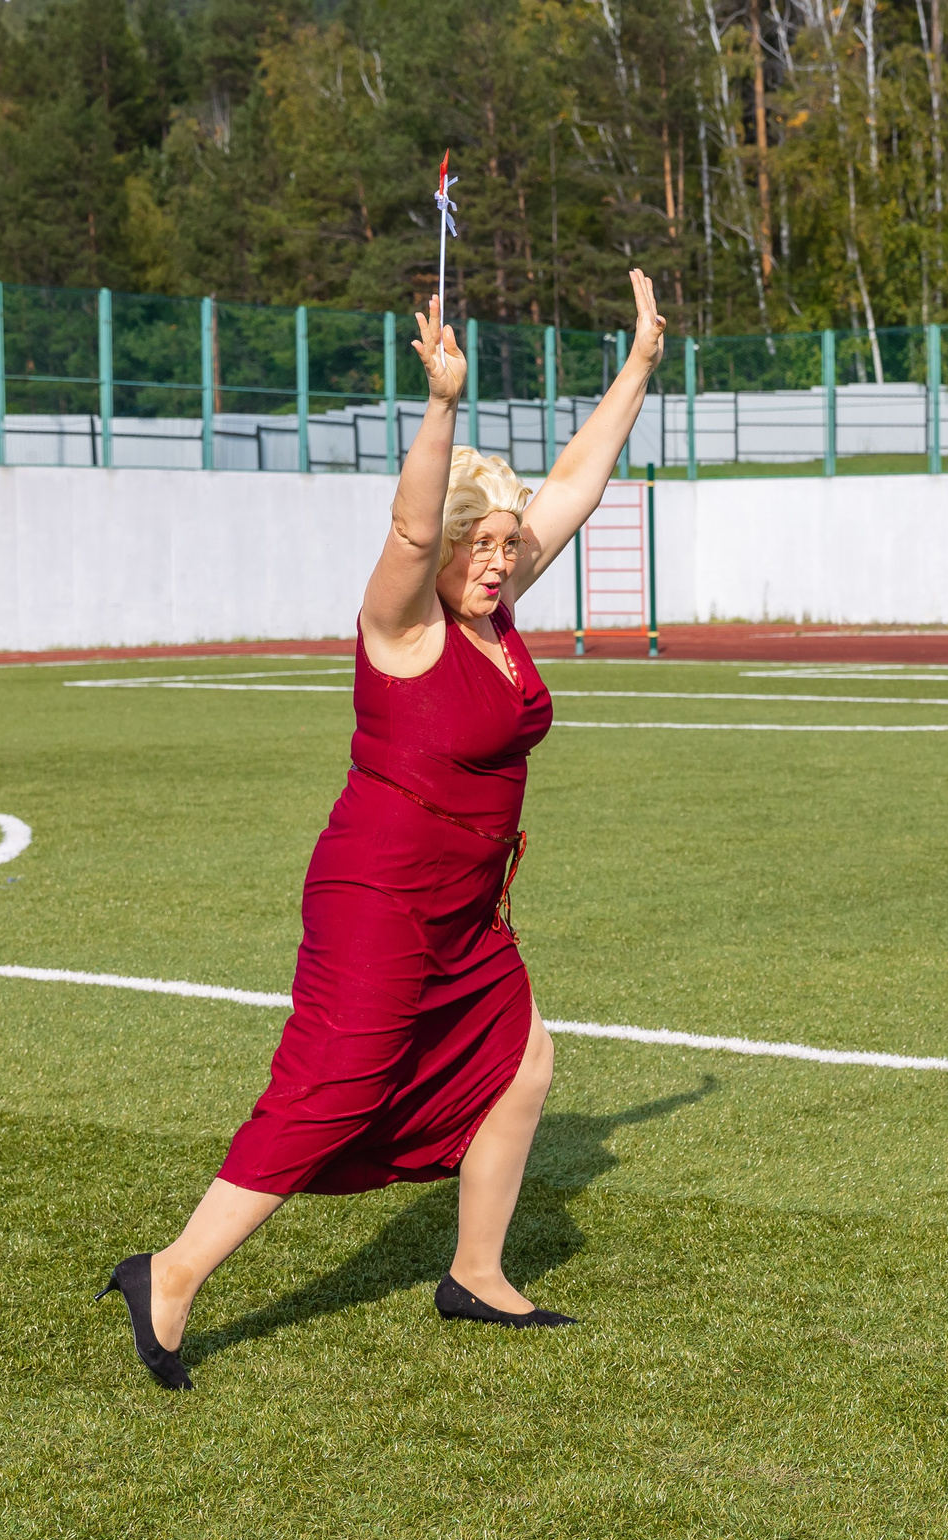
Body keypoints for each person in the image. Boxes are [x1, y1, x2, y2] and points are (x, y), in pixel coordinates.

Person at [101, 272, 668, 1391]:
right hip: (377, 895)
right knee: (335, 1088)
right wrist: (443, 406)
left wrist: (640, 365)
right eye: (482, 543)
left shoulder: (494, 612)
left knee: (522, 1064)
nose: (501, 559)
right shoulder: (401, 621)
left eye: (508, 544)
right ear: (445, 548)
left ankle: (476, 1272)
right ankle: (166, 1275)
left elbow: (571, 486)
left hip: (468, 905)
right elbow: (413, 523)